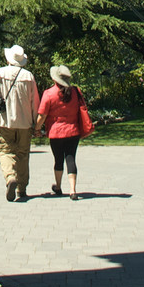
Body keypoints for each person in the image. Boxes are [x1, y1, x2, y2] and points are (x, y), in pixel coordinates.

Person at [0, 45, 40, 202]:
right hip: (24, 122)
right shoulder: (29, 76)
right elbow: (35, 102)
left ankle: (10, 177)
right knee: (23, 154)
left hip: (4, 121)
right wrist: (36, 124)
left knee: (5, 151)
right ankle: (22, 189)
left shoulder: (0, 73)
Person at [35, 64, 90, 201]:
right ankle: (73, 190)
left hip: (56, 133)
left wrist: (36, 128)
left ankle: (58, 186)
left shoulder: (49, 94)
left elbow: (42, 115)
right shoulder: (76, 92)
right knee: (71, 158)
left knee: (58, 159)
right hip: (73, 131)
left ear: (55, 79)